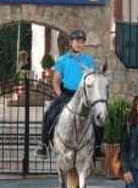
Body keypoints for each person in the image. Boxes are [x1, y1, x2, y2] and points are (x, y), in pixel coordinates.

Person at [34, 29, 104, 158]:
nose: (79, 44)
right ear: (71, 42)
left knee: (99, 117)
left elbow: (93, 80)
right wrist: (60, 94)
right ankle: (43, 144)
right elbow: (56, 81)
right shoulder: (62, 60)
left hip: (85, 96)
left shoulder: (88, 61)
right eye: (77, 41)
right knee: (49, 114)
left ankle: (98, 147)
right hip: (66, 94)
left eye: (82, 42)